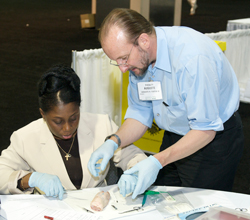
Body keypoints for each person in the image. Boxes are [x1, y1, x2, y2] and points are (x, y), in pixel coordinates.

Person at [87, 8, 244, 199]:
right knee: (164, 203)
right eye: (116, 62)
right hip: (175, 134)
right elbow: (140, 112)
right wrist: (113, 142)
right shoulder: (140, 61)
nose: (122, 69)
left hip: (212, 141)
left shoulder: (192, 59)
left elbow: (205, 129)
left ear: (143, 41)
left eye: (124, 59)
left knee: (201, 210)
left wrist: (156, 162)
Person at [0, 64, 147, 199]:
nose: (67, 128)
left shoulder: (102, 125)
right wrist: (30, 179)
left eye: (73, 118)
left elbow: (135, 156)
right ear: (42, 114)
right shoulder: (25, 138)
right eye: (57, 121)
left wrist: (135, 173)